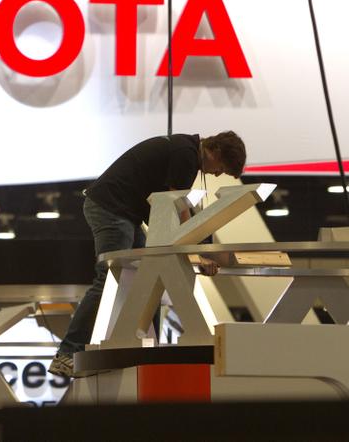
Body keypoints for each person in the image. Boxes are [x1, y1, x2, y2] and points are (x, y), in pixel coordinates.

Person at [48, 131, 247, 378]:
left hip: (123, 212)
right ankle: (67, 352)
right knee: (110, 278)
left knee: (149, 272)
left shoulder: (187, 150)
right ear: (216, 152)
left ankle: (147, 351)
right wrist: (198, 255)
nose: (216, 174)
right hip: (111, 209)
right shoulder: (185, 155)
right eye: (221, 169)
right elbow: (179, 211)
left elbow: (178, 212)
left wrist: (196, 251)